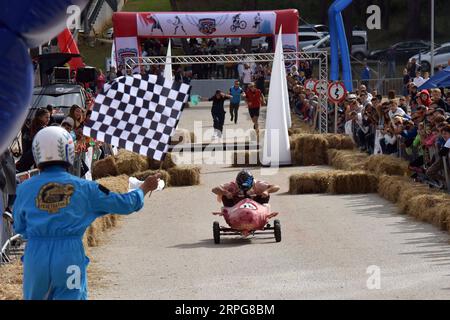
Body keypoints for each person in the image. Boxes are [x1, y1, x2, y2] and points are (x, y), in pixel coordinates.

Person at [13, 126, 161, 300]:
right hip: (68, 256)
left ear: (37, 154)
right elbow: (124, 204)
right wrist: (143, 188)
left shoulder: (24, 188)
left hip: (36, 256)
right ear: (68, 152)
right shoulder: (85, 187)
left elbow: (20, 226)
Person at [212, 170, 280, 207]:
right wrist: (225, 192)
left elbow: (276, 187)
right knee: (224, 196)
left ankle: (262, 213)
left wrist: (267, 191)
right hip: (236, 206)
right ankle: (230, 214)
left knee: (266, 194)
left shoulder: (258, 184)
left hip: (257, 205)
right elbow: (214, 189)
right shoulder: (232, 185)